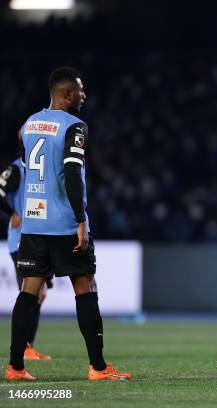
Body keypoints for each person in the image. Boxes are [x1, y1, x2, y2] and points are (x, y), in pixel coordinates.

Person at [4, 67, 131, 381]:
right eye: (80, 90)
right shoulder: (75, 126)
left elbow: (23, 150)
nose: (84, 95)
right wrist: (80, 220)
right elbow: (73, 173)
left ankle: (15, 367)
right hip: (63, 222)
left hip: (33, 224)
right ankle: (98, 368)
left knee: (28, 291)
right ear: (66, 93)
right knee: (85, 287)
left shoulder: (29, 123)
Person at [0, 154, 52, 361]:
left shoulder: (42, 167)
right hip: (21, 240)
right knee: (31, 292)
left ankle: (27, 346)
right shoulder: (15, 170)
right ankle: (23, 348)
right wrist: (12, 213)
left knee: (40, 293)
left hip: (39, 238)